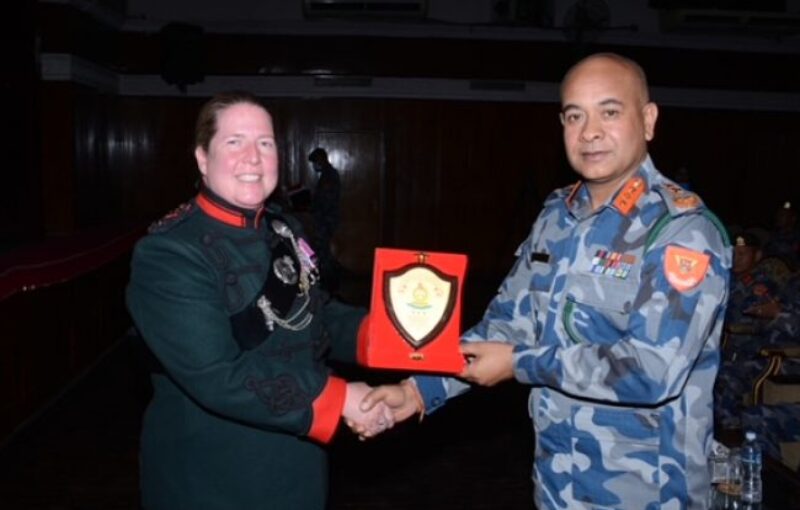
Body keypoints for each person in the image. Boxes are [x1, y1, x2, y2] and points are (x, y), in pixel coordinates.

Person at [362, 53, 732, 509]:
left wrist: (520, 364)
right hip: (559, 486)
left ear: (648, 119)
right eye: (574, 115)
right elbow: (505, 325)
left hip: (651, 495)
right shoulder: (558, 216)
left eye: (609, 112)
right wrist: (418, 391)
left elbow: (652, 371)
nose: (589, 131)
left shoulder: (682, 231)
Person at [126, 91, 392, 510]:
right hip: (212, 475)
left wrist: (385, 334)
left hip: (297, 463)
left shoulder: (284, 229)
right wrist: (339, 399)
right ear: (202, 158)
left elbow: (312, 312)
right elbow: (216, 372)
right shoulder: (169, 253)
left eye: (265, 143)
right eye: (235, 142)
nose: (253, 157)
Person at [308, 147, 342, 290]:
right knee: (323, 252)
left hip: (326, 220)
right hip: (324, 219)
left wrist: (312, 204)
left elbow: (326, 201)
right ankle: (328, 282)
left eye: (315, 162)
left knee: (324, 252)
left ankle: (330, 283)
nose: (314, 166)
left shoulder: (329, 176)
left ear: (320, 160)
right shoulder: (327, 175)